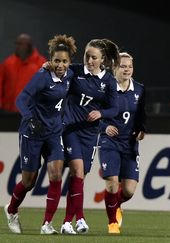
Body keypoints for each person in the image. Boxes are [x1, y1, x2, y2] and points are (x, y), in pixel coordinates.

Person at [4, 34, 76, 234]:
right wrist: (29, 118)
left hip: (53, 133)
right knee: (29, 181)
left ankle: (46, 224)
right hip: (32, 133)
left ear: (69, 62)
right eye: (56, 61)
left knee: (56, 175)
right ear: (50, 60)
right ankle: (11, 210)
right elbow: (21, 99)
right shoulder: (42, 77)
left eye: (64, 61)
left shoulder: (70, 75)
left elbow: (88, 72)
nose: (60, 65)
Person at [60, 39, 120, 234]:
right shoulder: (75, 71)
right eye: (87, 56)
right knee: (77, 172)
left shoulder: (109, 80)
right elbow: (58, 68)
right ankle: (77, 219)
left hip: (90, 133)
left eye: (94, 57)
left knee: (80, 176)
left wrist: (101, 114)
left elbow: (114, 108)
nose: (90, 60)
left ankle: (70, 222)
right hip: (70, 129)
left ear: (102, 59)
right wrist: (48, 66)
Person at [98, 52, 146, 234]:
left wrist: (142, 129)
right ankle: (112, 223)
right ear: (114, 68)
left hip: (130, 144)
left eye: (130, 66)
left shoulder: (140, 89)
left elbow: (141, 116)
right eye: (123, 66)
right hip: (109, 142)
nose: (127, 69)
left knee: (129, 191)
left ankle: (116, 205)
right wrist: (104, 127)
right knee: (111, 182)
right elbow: (93, 115)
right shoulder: (105, 89)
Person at [0, 33, 47, 112]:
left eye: (20, 44)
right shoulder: (8, 63)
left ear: (29, 46)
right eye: (16, 44)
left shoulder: (41, 64)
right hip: (8, 111)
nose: (17, 47)